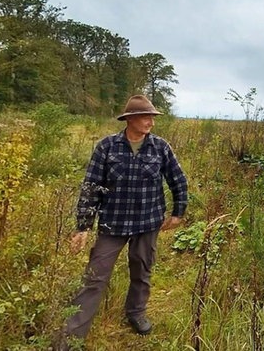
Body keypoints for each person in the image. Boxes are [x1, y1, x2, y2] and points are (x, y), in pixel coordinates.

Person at [61, 94, 188, 343]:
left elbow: (178, 180)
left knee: (142, 270)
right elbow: (91, 187)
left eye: (153, 116)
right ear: (129, 119)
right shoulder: (107, 147)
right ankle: (71, 336)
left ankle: (136, 313)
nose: (151, 121)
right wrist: (83, 226)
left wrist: (178, 212)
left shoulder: (160, 147)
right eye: (146, 116)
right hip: (113, 223)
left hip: (148, 223)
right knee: (95, 277)